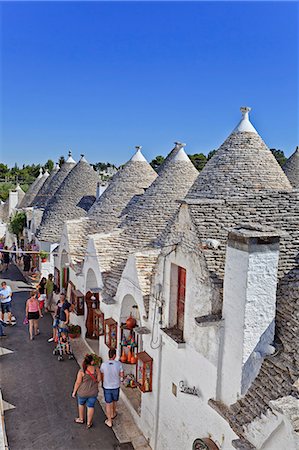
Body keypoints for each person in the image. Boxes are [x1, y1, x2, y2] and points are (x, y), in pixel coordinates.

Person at [72, 354, 101, 428]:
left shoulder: (82, 371)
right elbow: (99, 380)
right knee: (90, 406)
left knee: (81, 404)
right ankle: (89, 423)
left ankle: (81, 419)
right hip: (93, 392)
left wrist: (74, 391)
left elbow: (78, 382)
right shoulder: (96, 369)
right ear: (91, 362)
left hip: (82, 392)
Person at [100, 348, 124, 428]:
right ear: (114, 355)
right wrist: (121, 380)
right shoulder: (119, 364)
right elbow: (121, 375)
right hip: (116, 386)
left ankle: (109, 421)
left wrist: (102, 383)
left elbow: (102, 375)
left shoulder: (104, 364)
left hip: (107, 386)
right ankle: (113, 413)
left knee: (108, 403)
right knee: (114, 401)